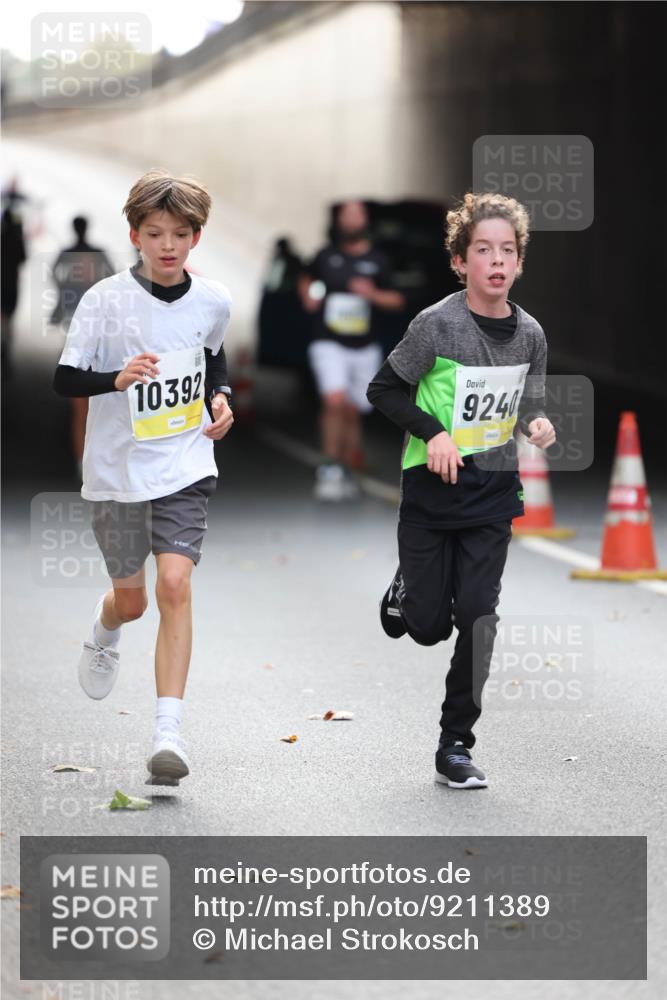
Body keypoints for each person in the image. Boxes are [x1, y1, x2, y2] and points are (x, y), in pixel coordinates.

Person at [367, 192, 556, 789]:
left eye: (507, 250)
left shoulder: (530, 335)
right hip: (429, 494)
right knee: (426, 626)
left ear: (519, 262)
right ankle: (406, 588)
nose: (496, 261)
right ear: (460, 261)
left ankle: (455, 743)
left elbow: (527, 400)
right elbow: (384, 389)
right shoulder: (436, 325)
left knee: (478, 616)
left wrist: (537, 423)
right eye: (483, 250)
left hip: (492, 496)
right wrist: (436, 433)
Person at [53, 170, 233, 785]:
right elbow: (65, 378)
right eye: (154, 233)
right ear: (134, 235)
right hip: (117, 473)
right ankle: (105, 628)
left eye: (179, 234)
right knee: (132, 602)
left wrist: (222, 399)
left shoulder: (213, 300)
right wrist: (115, 379)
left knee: (175, 585)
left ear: (195, 238)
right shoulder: (104, 301)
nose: (167, 245)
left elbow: (213, 358)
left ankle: (168, 732)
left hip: (183, 465)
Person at [299, 200, 404, 501]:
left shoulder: (378, 260)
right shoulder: (325, 255)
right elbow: (307, 278)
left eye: (357, 215)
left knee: (353, 409)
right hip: (328, 341)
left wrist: (371, 294)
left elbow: (397, 300)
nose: (351, 220)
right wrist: (309, 295)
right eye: (346, 215)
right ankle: (330, 466)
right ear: (339, 221)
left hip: (364, 346)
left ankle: (346, 465)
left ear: (365, 221)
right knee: (334, 400)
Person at [50, 216, 115, 475]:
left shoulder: (67, 253)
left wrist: (65, 289)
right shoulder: (98, 253)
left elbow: (54, 273)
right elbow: (113, 276)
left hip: (75, 324)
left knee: (80, 404)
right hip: (98, 329)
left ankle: (81, 460)